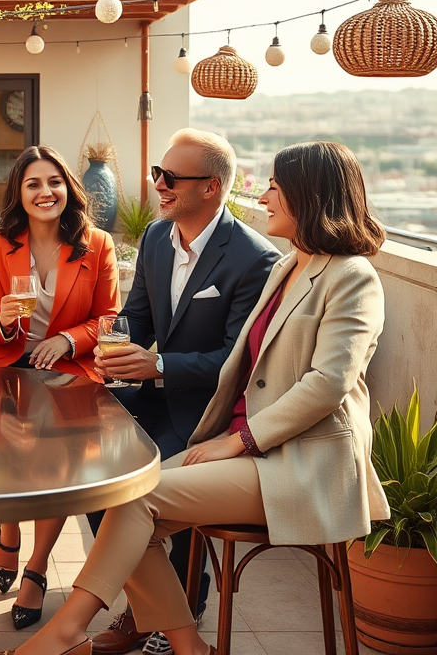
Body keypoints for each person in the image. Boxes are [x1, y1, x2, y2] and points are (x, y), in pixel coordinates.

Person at [0, 139, 389, 655]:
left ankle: (72, 632)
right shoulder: (288, 268)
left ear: (308, 197)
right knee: (116, 486)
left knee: (138, 495)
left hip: (298, 459)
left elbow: (327, 384)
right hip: (243, 439)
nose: (264, 198)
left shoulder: (351, 276)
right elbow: (228, 358)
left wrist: (237, 439)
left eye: (274, 187)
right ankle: (181, 643)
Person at [86, 128, 279, 655]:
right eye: (157, 174)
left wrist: (159, 365)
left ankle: (184, 609)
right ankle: (148, 606)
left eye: (170, 178)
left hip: (206, 415)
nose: (159, 186)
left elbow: (236, 363)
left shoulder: (253, 258)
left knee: (154, 480)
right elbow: (137, 320)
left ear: (211, 187)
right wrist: (118, 351)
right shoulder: (153, 238)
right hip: (153, 399)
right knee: (90, 463)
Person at [0, 145, 119, 631]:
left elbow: (110, 320)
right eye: (33, 184)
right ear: (19, 192)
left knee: (58, 463)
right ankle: (9, 528)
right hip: (10, 366)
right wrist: (9, 323)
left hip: (71, 370)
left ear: (68, 189)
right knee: (7, 446)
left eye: (54, 182)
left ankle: (35, 567)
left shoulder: (96, 244)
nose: (45, 192)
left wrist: (66, 338)